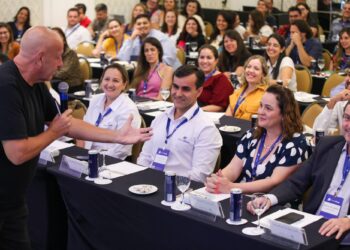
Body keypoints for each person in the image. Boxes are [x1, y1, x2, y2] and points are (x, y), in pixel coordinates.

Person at [0, 26, 151, 249]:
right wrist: (53, 133)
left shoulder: (35, 83)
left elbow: (67, 124)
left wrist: (117, 136)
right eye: (57, 57)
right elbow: (17, 153)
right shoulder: (6, 86)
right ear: (41, 58)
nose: (61, 64)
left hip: (13, 199)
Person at [248, 100, 350, 243]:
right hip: (315, 229)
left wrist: (348, 221)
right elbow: (297, 182)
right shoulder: (328, 146)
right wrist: (269, 199)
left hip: (344, 236)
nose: (348, 125)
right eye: (347, 118)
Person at [206, 85, 309, 193]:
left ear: (284, 114)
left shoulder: (296, 143)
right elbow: (232, 169)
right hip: (242, 196)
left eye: (268, 108)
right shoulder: (251, 135)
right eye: (261, 106)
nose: (260, 111)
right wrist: (218, 180)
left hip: (273, 203)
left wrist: (231, 187)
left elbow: (273, 182)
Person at [137, 65, 222, 182]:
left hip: (178, 192)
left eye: (185, 89)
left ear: (199, 91)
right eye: (175, 87)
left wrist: (164, 185)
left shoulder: (206, 129)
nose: (178, 93)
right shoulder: (159, 119)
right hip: (148, 185)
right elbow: (144, 158)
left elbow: (198, 177)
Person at [77, 64, 141, 160]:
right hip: (87, 155)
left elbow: (121, 150)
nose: (110, 84)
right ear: (101, 80)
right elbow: (82, 130)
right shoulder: (95, 100)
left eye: (115, 80)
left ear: (124, 84)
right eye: (106, 79)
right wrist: (79, 153)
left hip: (110, 161)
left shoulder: (129, 109)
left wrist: (96, 161)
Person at [225, 55, 269, 120]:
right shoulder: (237, 91)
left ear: (263, 74)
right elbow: (227, 117)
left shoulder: (267, 94)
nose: (251, 71)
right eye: (248, 67)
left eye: (256, 68)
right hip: (233, 128)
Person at [197, 45, 233, 112]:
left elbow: (219, 107)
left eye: (209, 58)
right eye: (202, 57)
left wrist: (193, 112)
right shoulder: (194, 76)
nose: (205, 61)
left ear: (216, 61)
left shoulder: (221, 80)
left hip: (210, 116)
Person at [51, 27, 83, 93]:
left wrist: (48, 73)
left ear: (64, 40)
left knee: (47, 85)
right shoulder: (50, 53)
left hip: (71, 85)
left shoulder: (70, 53)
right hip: (57, 81)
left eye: (57, 37)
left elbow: (63, 73)